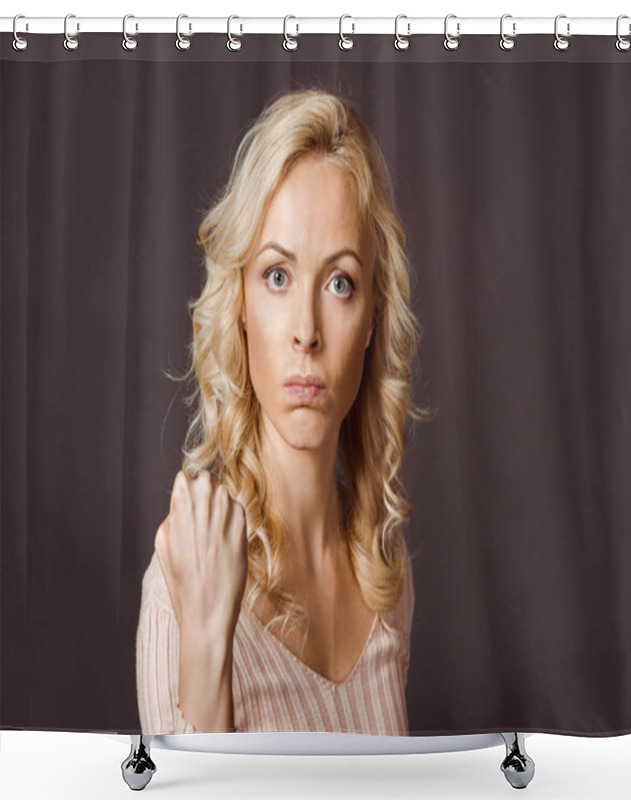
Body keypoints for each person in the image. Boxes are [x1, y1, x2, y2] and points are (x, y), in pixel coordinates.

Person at [135, 87, 429, 735]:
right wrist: (208, 640)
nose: (306, 331)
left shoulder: (386, 572)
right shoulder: (183, 579)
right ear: (239, 302)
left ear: (373, 318)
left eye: (339, 282)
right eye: (276, 275)